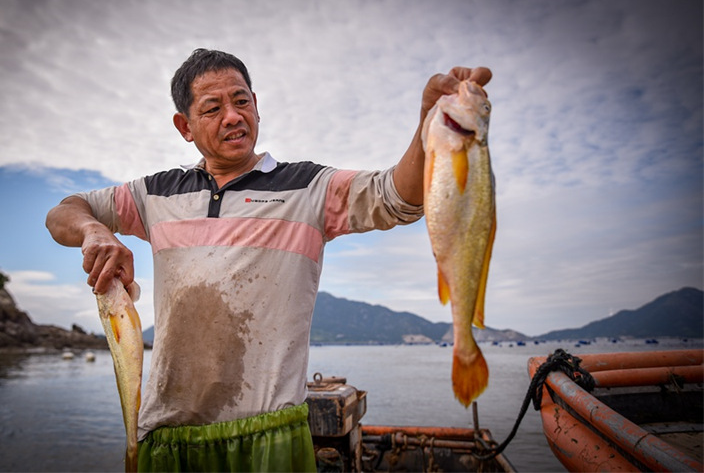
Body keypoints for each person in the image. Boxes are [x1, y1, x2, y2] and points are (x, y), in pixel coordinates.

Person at [45, 48, 491, 472]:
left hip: (271, 437)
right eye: (213, 108)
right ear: (185, 126)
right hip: (167, 435)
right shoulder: (155, 193)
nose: (232, 116)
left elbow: (398, 197)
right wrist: (93, 231)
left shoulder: (308, 187)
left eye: (241, 101)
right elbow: (63, 212)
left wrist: (428, 122)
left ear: (256, 106)